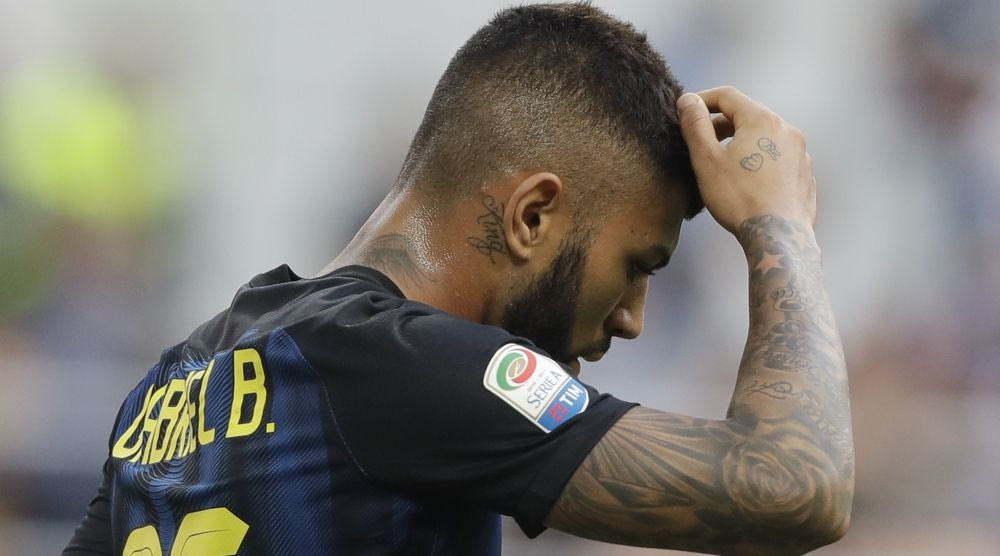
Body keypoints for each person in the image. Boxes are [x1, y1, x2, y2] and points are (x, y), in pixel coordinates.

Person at [64, 3, 854, 555]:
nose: (631, 318)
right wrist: (780, 227)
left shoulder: (179, 378)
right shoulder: (411, 368)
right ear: (532, 216)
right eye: (636, 266)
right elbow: (795, 488)